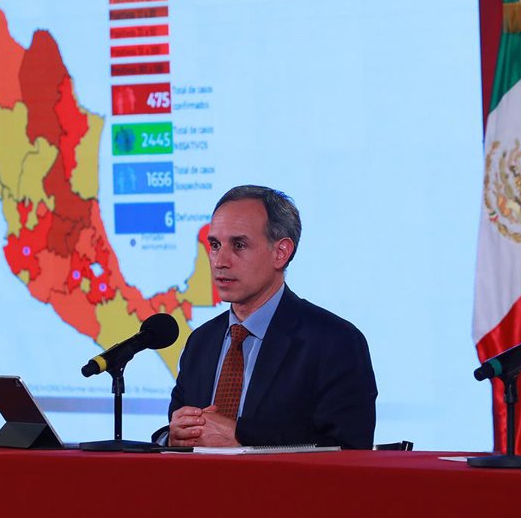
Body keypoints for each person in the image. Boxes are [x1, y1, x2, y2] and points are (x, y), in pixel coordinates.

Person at [158, 185, 377, 448]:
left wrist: (242, 438)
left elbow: (349, 448)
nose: (219, 261)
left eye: (239, 245)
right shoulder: (201, 342)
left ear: (281, 252)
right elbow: (175, 429)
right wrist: (172, 438)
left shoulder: (335, 342)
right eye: (215, 245)